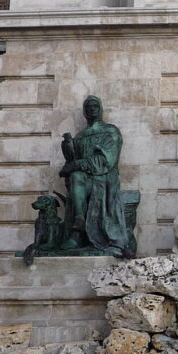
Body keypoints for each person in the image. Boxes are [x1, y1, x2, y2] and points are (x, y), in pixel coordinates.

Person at [59, 96, 135, 257]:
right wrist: (68, 149)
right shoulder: (80, 136)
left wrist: (76, 165)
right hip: (84, 177)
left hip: (105, 176)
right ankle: (78, 221)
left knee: (79, 174)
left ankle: (85, 233)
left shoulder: (110, 131)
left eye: (94, 106)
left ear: (100, 109)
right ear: (84, 112)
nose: (91, 109)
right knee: (76, 177)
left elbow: (107, 160)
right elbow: (74, 162)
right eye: (88, 106)